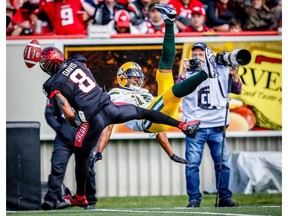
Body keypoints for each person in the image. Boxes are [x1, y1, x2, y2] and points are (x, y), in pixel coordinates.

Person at [29, 28, 200, 207]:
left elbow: (69, 113)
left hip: (93, 119)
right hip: (110, 108)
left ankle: (80, 197)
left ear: (49, 65)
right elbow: (82, 72)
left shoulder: (53, 83)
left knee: (81, 156)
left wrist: (76, 123)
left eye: (44, 64)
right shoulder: (78, 61)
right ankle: (182, 125)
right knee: (143, 112)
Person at [90, 3, 218, 168]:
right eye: (133, 78)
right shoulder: (115, 94)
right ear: (123, 78)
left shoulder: (145, 92)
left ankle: (169, 21)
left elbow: (161, 132)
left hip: (160, 114)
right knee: (171, 93)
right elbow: (108, 126)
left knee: (164, 68)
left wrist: (171, 154)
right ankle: (205, 73)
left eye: (138, 78)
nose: (137, 81)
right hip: (148, 121)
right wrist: (99, 151)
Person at [177, 42, 242, 208]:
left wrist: (234, 75)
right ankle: (194, 199)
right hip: (195, 127)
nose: (197, 58)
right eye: (195, 55)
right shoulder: (188, 73)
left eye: (201, 54)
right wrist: (183, 72)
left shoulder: (220, 69)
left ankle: (225, 198)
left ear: (208, 56)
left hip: (217, 126)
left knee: (223, 165)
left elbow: (237, 90)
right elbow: (176, 92)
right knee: (192, 165)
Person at [42, 98, 97, 210]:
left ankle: (90, 201)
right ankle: (51, 200)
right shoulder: (56, 93)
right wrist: (61, 129)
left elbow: (96, 115)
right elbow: (49, 115)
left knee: (88, 170)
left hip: (84, 140)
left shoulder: (85, 91)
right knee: (57, 170)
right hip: (63, 141)